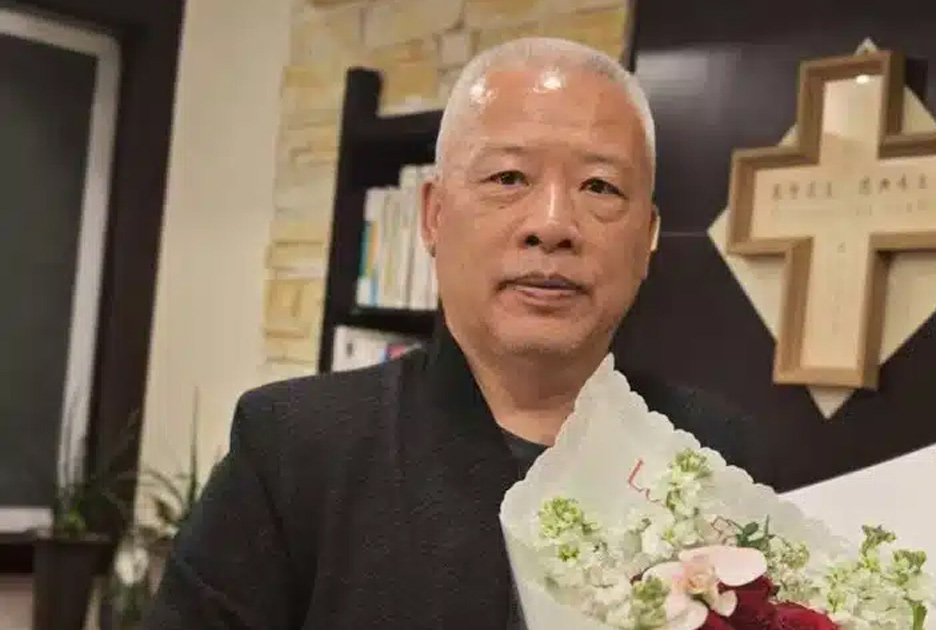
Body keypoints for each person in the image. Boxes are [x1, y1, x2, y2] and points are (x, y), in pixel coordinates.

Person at [142, 37, 771, 630]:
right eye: (508, 179)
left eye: (600, 187)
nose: (552, 225)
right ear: (433, 214)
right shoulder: (292, 450)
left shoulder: (719, 453)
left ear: (649, 236)